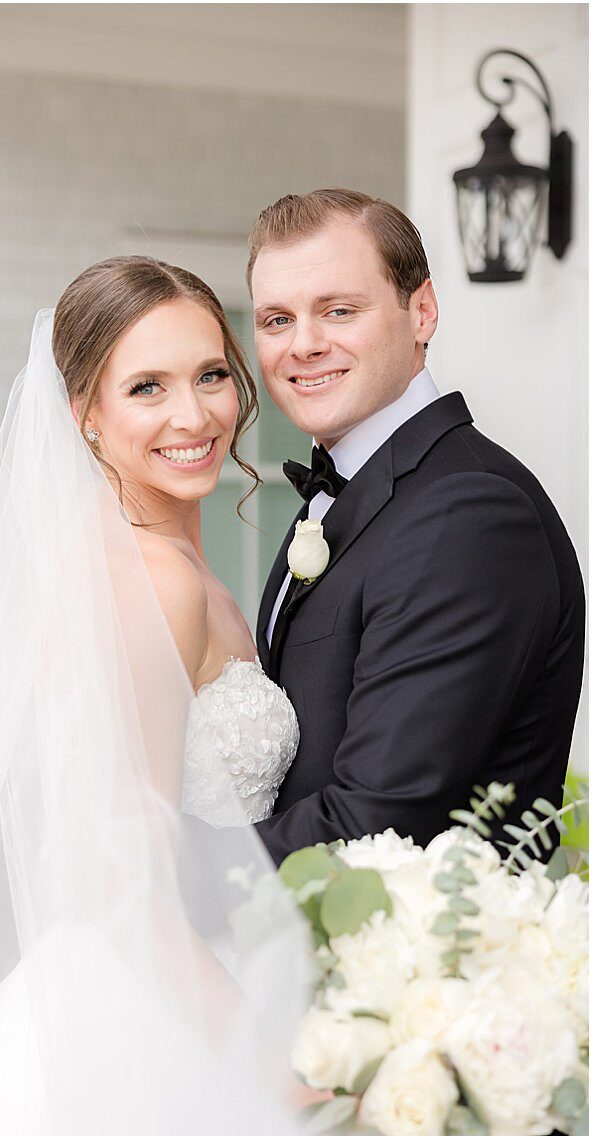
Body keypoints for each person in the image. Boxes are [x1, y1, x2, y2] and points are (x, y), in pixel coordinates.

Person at [0, 259, 311, 1134]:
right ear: (84, 415)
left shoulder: (159, 557)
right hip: (158, 1007)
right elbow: (116, 882)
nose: (193, 414)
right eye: (146, 387)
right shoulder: (149, 580)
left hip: (204, 960)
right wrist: (271, 1063)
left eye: (211, 374)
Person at [247, 189, 584, 863]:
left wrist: (167, 874)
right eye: (277, 319)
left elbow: (378, 815)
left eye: (339, 310)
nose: (304, 344)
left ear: (421, 311)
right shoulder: (352, 484)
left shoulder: (469, 515)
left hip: (411, 946)